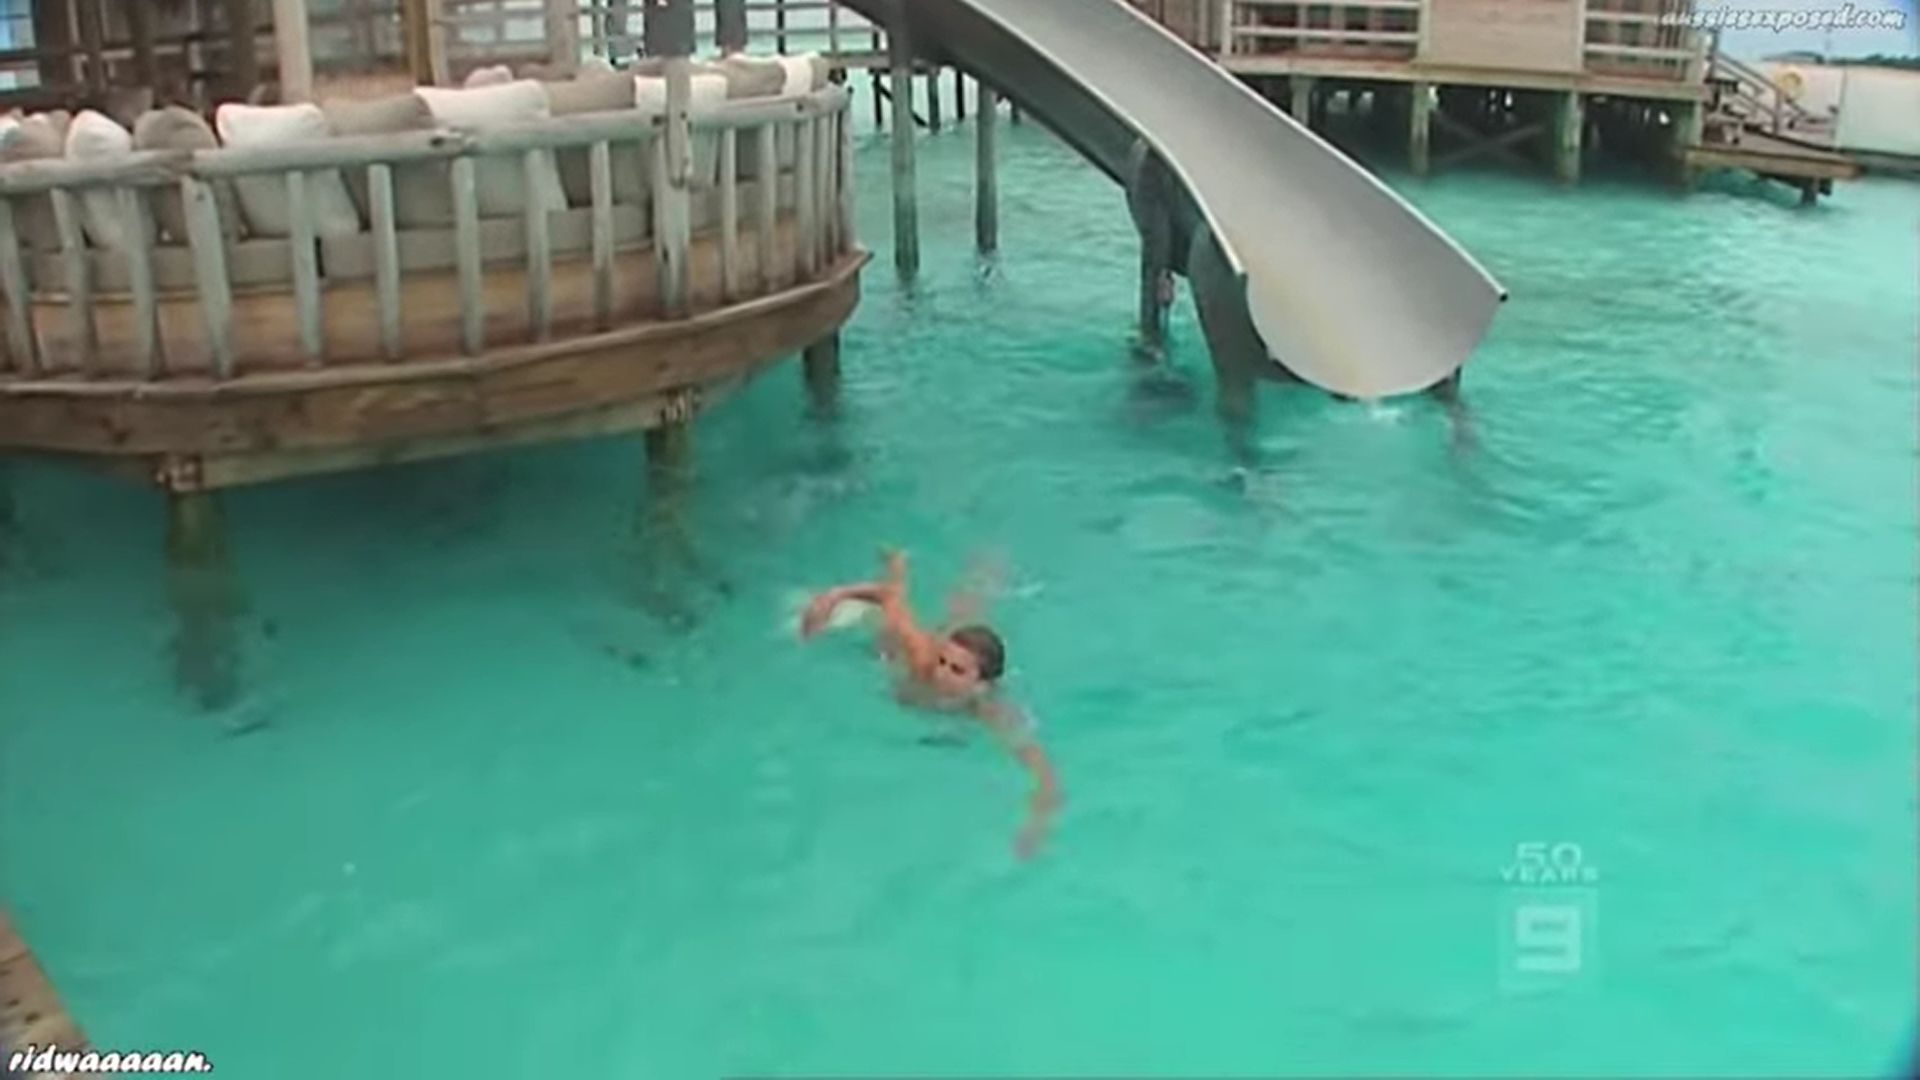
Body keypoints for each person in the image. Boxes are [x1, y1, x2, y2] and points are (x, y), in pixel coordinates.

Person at [799, 549, 1061, 859]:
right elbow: (888, 597)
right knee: (893, 630)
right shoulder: (922, 658)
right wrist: (833, 597)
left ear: (982, 685)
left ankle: (988, 564)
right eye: (942, 662)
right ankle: (898, 561)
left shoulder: (990, 711)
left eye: (956, 671)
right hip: (898, 658)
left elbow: (1044, 778)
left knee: (966, 610)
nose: (941, 674)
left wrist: (1035, 827)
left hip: (957, 676)